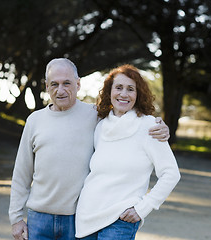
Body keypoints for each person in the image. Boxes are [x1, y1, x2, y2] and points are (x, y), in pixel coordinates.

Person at [9, 58, 170, 240]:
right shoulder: (34, 121)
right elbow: (21, 174)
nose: (60, 90)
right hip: (38, 218)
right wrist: (16, 219)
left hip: (75, 218)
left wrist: (160, 128)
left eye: (67, 83)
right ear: (47, 86)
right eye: (54, 84)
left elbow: (126, 120)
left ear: (78, 84)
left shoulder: (96, 116)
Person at [75, 64, 181, 239]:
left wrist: (143, 208)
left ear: (138, 94)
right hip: (87, 216)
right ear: (110, 92)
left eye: (130, 89)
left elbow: (171, 173)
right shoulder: (100, 126)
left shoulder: (149, 126)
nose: (123, 94)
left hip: (120, 219)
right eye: (118, 88)